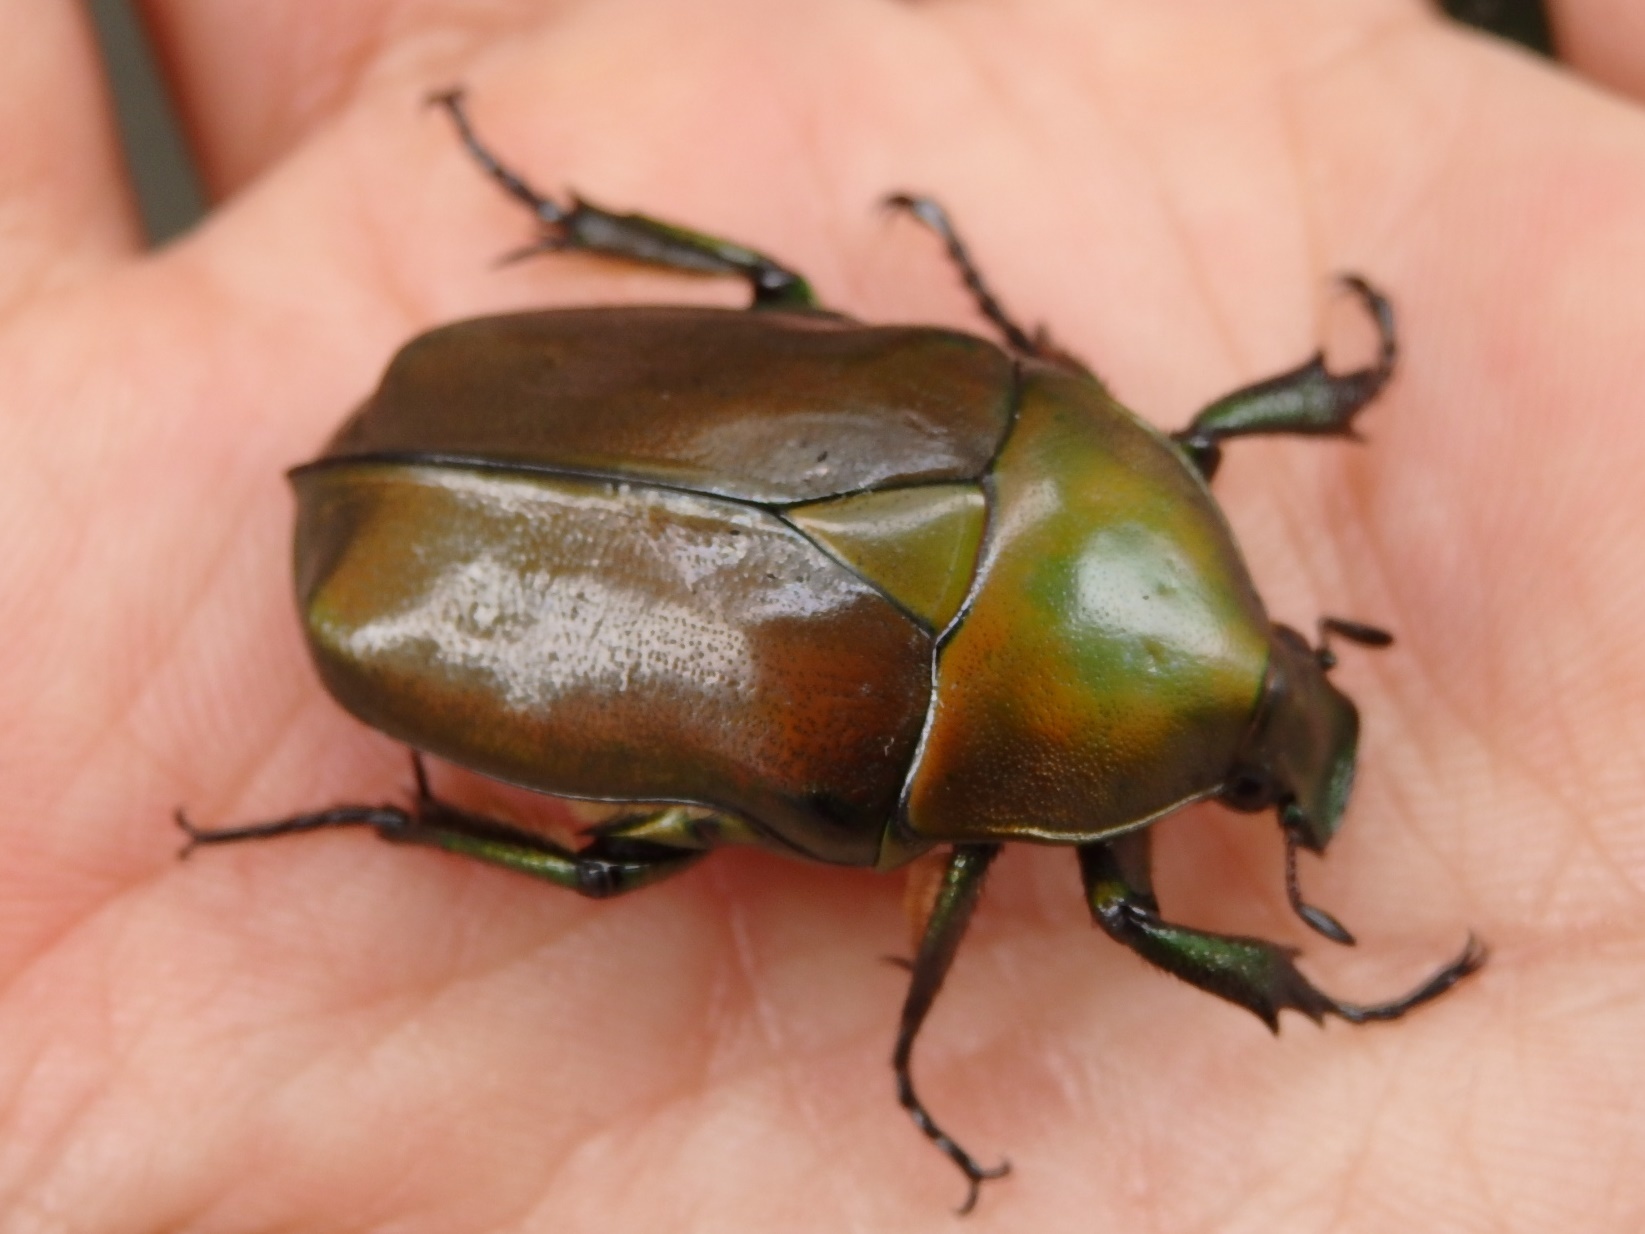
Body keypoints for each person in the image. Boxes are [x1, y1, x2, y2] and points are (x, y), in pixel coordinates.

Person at [2, 1, 1639, 1227]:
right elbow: (1124, 916)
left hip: (437, 534)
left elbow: (1111, 418)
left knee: (775, 307)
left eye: (1244, 740)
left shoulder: (1069, 443)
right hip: (421, 542)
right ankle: (379, 812)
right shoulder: (983, 755)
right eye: (1264, 706)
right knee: (610, 856)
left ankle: (381, 796)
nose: (1265, 692)